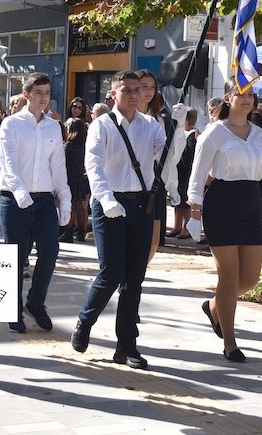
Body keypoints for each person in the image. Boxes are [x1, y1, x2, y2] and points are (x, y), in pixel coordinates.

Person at [70, 70, 186, 371]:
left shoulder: (150, 125)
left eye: (139, 89)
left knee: (134, 277)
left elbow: (168, 159)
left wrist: (179, 129)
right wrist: (106, 199)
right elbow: (92, 165)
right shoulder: (102, 126)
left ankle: (126, 345)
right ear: (114, 93)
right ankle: (85, 321)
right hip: (110, 203)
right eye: (128, 89)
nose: (134, 94)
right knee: (111, 272)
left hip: (141, 203)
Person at [188, 82, 262, 360]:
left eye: (250, 94)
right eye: (240, 94)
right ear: (228, 97)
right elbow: (198, 173)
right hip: (222, 203)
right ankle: (230, 341)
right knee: (228, 276)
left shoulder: (259, 134)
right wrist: (194, 211)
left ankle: (216, 305)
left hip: (252, 202)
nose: (246, 99)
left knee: (249, 278)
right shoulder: (215, 132)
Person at [0, 72, 71, 334]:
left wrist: (65, 200)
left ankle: (35, 302)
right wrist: (19, 192)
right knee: (16, 258)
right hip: (14, 198)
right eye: (38, 92)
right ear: (26, 94)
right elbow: (9, 163)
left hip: (42, 200)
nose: (44, 98)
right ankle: (12, 308)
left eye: (47, 93)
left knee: (50, 252)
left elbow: (58, 167)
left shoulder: (53, 126)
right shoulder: (12, 124)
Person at [136, 70, 186, 263]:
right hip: (129, 182)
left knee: (153, 242)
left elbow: (172, 155)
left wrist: (180, 125)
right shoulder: (122, 118)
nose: (148, 91)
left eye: (152, 87)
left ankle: (136, 278)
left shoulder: (161, 118)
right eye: (143, 86)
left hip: (155, 182)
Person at [169, 108, 199, 239]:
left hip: (186, 171)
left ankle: (186, 229)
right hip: (178, 170)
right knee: (177, 200)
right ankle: (177, 226)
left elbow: (189, 154)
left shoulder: (193, 134)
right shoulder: (181, 133)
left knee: (185, 201)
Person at [63, 118, 91, 242]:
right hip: (81, 178)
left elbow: (64, 163)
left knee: (71, 206)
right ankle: (81, 231)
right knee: (80, 206)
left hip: (70, 178)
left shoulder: (69, 146)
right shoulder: (84, 146)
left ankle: (68, 232)